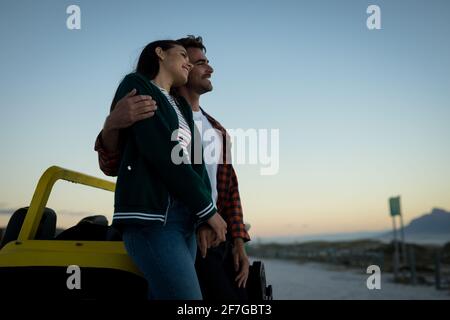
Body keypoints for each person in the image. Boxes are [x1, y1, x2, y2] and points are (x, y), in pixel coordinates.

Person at [95, 36, 251, 300]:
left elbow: (224, 184)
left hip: (204, 226)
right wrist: (110, 125)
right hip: (159, 219)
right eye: (191, 60)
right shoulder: (139, 87)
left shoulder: (213, 128)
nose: (197, 66)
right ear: (161, 54)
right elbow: (133, 160)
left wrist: (235, 238)